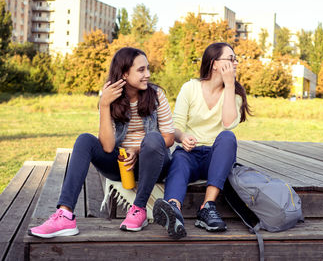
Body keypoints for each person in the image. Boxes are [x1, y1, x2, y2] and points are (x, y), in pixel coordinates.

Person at [29, 47, 175, 238]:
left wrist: (136, 150)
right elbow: (107, 147)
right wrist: (105, 105)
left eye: (147, 69)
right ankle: (65, 215)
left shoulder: (156, 95)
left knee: (154, 138)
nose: (147, 74)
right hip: (121, 165)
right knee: (84, 140)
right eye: (141, 70)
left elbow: (168, 138)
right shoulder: (110, 98)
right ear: (124, 73)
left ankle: (138, 209)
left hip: (154, 162)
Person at [153, 42, 251, 239]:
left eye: (235, 59)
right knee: (179, 161)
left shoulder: (234, 93)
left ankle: (208, 206)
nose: (235, 63)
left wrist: (230, 84)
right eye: (230, 59)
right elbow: (176, 126)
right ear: (215, 63)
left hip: (216, 157)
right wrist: (182, 137)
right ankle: (174, 211)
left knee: (227, 137)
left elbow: (229, 123)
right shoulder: (190, 88)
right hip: (190, 152)